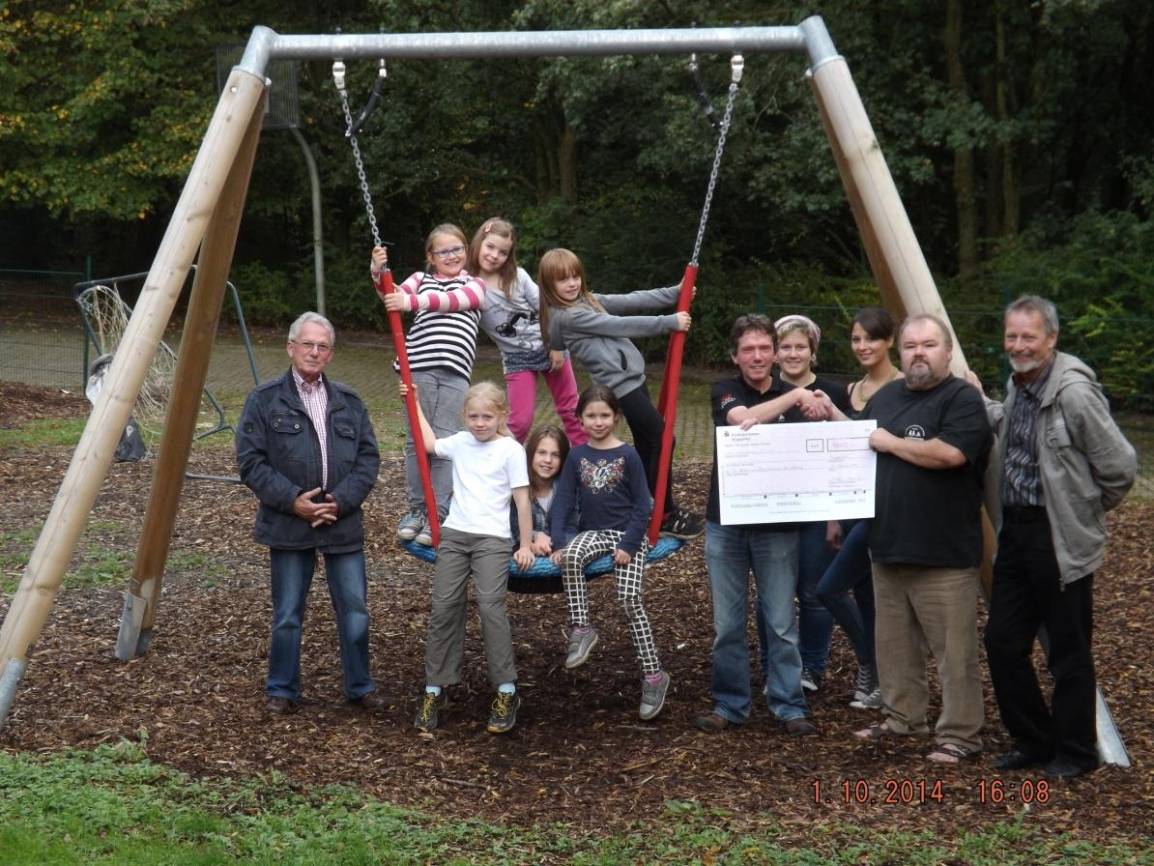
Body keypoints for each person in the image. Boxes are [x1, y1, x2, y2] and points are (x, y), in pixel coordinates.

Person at [977, 296, 1137, 779]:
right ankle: (1034, 739)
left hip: (1059, 535)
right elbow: (1014, 433)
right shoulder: (1017, 383)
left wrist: (1081, 513)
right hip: (1017, 531)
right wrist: (978, 401)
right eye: (1012, 336)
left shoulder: (1073, 393)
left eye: (1029, 336)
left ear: (1051, 338)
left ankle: (1076, 752)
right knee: (1002, 642)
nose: (1018, 345)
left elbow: (1121, 467)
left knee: (1068, 650)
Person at [852, 314, 992, 765]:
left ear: (947, 351)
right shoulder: (887, 396)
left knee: (954, 654)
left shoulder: (962, 400)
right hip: (888, 545)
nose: (918, 353)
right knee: (893, 648)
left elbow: (950, 453)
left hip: (943, 554)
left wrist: (891, 443)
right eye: (911, 345)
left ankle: (960, 734)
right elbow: (859, 449)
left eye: (929, 345)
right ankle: (903, 717)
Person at [236, 312, 385, 715]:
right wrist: (294, 501)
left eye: (322, 346)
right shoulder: (264, 401)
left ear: (330, 354)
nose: (314, 352)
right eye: (307, 344)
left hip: (342, 522)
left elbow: (369, 459)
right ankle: (282, 689)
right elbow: (250, 462)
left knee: (355, 611)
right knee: (287, 614)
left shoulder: (349, 402)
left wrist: (342, 500)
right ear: (291, 347)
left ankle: (360, 686)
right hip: (288, 523)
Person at [693, 314, 828, 736]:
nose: (757, 356)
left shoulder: (797, 396)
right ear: (735, 356)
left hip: (778, 525)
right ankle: (730, 704)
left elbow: (829, 442)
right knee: (727, 624)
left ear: (774, 352)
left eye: (763, 348)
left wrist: (822, 407)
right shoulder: (725, 391)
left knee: (781, 621)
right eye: (747, 349)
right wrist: (798, 397)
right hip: (726, 524)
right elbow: (743, 419)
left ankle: (789, 705)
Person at [537, 248, 704, 540]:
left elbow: (630, 300)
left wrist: (676, 292)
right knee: (662, 439)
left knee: (647, 443)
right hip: (618, 384)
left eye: (575, 275)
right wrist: (668, 322)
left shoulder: (585, 300)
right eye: (563, 280)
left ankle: (639, 503)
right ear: (549, 286)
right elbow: (617, 326)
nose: (572, 283)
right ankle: (665, 513)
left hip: (632, 377)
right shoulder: (567, 315)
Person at [404, 380, 535, 735]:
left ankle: (506, 689)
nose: (480, 423)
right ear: (464, 416)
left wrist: (524, 544)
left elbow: (522, 500)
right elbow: (428, 443)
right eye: (473, 416)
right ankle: (435, 687)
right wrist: (413, 400)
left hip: (493, 539)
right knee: (445, 605)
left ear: (501, 416)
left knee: (491, 605)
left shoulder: (511, 450)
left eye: (487, 416)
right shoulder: (460, 443)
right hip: (457, 535)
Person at [550, 384, 671, 721]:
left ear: (616, 417)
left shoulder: (629, 455)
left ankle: (654, 676)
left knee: (629, 599)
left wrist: (629, 545)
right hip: (594, 533)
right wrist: (561, 542)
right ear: (580, 419)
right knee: (572, 556)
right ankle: (582, 628)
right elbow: (563, 502)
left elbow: (642, 505)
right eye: (591, 415)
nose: (598, 421)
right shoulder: (576, 456)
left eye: (605, 415)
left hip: (628, 535)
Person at [371, 224, 485, 547]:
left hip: (454, 373)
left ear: (466, 251)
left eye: (457, 249)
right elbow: (391, 296)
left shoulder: (474, 284)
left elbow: (454, 301)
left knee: (446, 442)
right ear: (430, 257)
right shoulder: (420, 280)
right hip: (417, 368)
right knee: (416, 442)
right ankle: (419, 511)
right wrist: (378, 270)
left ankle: (442, 512)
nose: (452, 256)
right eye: (443, 251)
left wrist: (413, 304)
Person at [815, 306, 902, 710]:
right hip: (851, 505)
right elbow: (842, 455)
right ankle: (875, 676)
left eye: (871, 338)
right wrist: (834, 513)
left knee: (830, 588)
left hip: (884, 509)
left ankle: (874, 664)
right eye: (856, 339)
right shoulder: (851, 391)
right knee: (866, 598)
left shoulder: (903, 387)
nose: (863, 346)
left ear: (889, 341)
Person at [773, 314, 852, 695]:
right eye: (785, 346)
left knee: (813, 591)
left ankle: (812, 666)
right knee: (774, 594)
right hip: (773, 509)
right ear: (774, 353)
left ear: (812, 351)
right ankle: (777, 663)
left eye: (799, 346)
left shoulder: (833, 393)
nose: (792, 353)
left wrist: (836, 514)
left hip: (819, 508)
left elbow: (845, 455)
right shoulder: (765, 390)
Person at [468, 218, 585, 445]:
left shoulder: (517, 277)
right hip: (517, 358)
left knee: (571, 408)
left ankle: (585, 460)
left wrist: (557, 346)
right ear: (478, 243)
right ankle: (501, 460)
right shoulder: (469, 286)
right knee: (520, 421)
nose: (494, 255)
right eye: (490, 247)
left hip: (550, 347)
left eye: (503, 252)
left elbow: (547, 308)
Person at [515, 424, 571, 557]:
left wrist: (557, 544)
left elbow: (575, 525)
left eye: (555, 455)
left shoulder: (569, 488)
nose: (548, 460)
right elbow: (511, 527)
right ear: (531, 454)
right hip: (522, 559)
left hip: (561, 556)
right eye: (542, 453)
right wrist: (533, 538)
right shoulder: (518, 487)